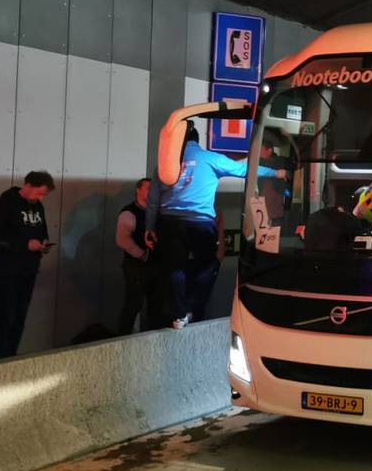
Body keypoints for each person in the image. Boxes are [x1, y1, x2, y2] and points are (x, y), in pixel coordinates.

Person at [146, 122, 285, 329]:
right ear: (196, 139)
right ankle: (192, 306)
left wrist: (150, 227)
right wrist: (275, 173)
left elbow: (152, 200)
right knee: (209, 264)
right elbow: (243, 169)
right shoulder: (210, 158)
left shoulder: (165, 164)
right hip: (200, 222)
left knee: (175, 268)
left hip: (169, 222)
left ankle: (180, 314)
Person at [0, 170, 56, 359]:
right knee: (6, 316)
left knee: (19, 317)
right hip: (7, 270)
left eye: (44, 194)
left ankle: (11, 358)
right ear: (28, 185)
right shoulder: (3, 205)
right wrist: (25, 245)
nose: (41, 197)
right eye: (40, 192)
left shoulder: (38, 207)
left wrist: (42, 244)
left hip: (29, 269)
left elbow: (42, 231)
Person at [116, 178, 161, 334]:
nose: (151, 192)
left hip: (155, 265)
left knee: (156, 306)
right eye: (148, 188)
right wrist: (142, 255)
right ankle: (121, 341)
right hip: (136, 266)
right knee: (133, 305)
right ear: (138, 190)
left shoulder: (157, 212)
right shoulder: (129, 212)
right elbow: (122, 240)